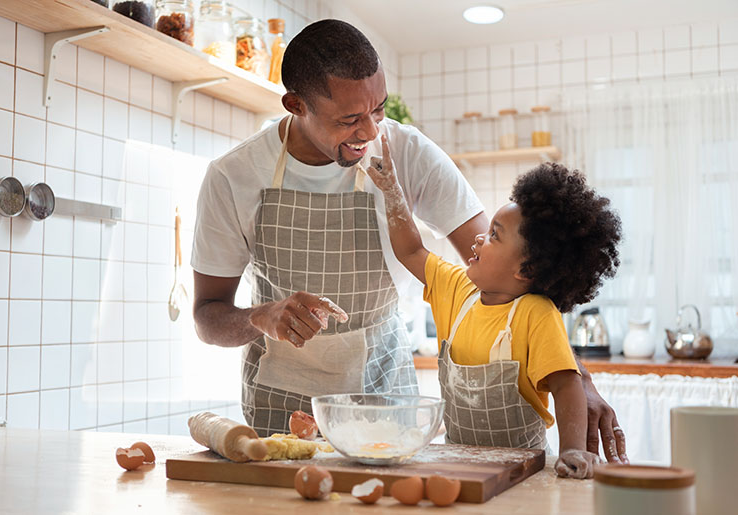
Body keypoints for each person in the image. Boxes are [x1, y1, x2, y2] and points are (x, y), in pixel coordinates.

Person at [190, 18, 629, 464]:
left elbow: (517, 277)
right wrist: (262, 316)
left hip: (386, 405)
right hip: (279, 408)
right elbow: (208, 319)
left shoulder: (409, 154)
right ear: (296, 104)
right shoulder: (233, 176)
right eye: (349, 119)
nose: (370, 132)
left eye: (377, 110)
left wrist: (577, 379)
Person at [366, 150, 621, 477]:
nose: (478, 238)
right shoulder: (457, 289)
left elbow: (566, 383)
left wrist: (572, 451)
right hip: (461, 466)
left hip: (523, 473)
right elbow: (411, 250)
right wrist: (391, 191)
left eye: (494, 235)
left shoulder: (536, 314)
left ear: (525, 269)